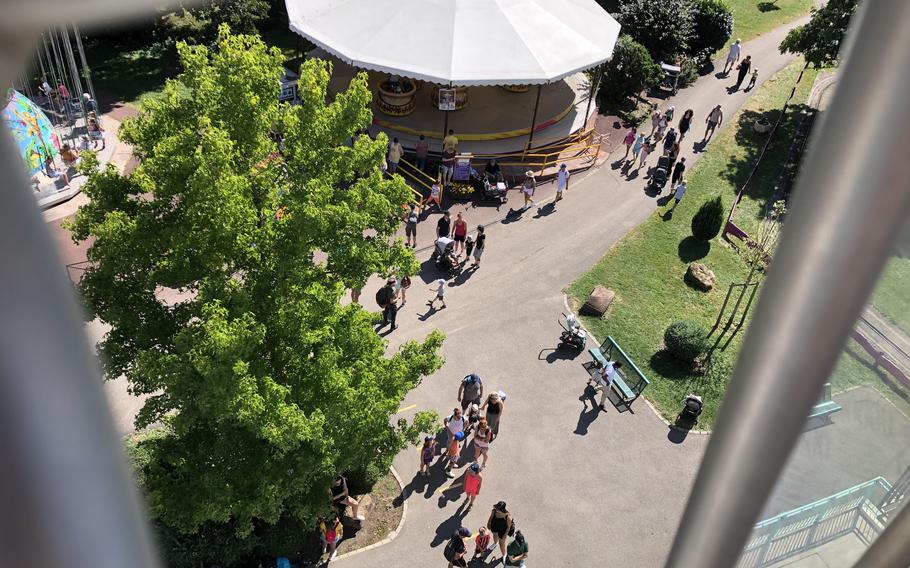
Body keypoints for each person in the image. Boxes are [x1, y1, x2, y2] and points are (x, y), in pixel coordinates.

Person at [443, 407, 465, 477]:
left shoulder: (455, 440)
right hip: (453, 454)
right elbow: (454, 451)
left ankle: (448, 457)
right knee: (453, 460)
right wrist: (455, 456)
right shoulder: (454, 442)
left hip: (451, 450)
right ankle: (448, 470)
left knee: (450, 452)